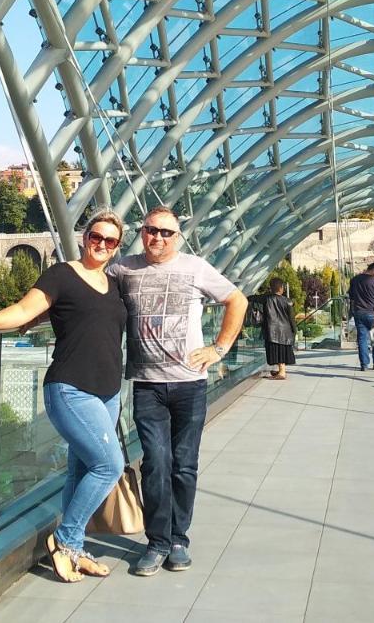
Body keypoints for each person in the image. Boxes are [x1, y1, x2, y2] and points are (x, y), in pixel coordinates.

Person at [0, 211, 127, 583]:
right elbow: (26, 309)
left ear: (117, 247)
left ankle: (74, 549)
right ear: (85, 237)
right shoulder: (62, 275)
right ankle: (66, 540)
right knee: (109, 466)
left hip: (108, 392)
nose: (101, 245)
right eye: (96, 237)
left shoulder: (114, 283)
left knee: (83, 468)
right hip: (70, 388)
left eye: (110, 241)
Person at [109, 206, 247, 577]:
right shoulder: (123, 269)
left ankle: (178, 539)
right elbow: (87, 289)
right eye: (152, 231)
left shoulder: (195, 267)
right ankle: (156, 542)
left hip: (189, 383)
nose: (158, 238)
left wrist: (218, 349)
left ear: (178, 236)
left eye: (166, 232)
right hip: (147, 385)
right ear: (142, 232)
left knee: (184, 465)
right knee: (155, 463)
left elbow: (237, 300)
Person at [347, 262, 374, 371]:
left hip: (358, 312)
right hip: (372, 313)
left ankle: (364, 364)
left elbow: (351, 297)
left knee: (362, 339)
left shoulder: (354, 280)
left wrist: (352, 310)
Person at [262, 278, 296, 380]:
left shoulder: (266, 299)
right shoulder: (288, 301)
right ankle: (281, 371)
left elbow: (252, 298)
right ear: (281, 288)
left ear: (271, 288)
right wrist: (294, 330)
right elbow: (291, 318)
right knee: (281, 351)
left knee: (276, 351)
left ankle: (282, 372)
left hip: (272, 331)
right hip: (285, 331)